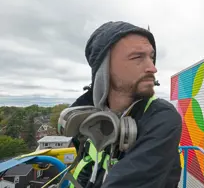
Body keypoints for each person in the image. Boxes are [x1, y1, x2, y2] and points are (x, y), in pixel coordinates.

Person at [68, 21, 182, 188]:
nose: (152, 68)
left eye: (151, 57)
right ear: (104, 69)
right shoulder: (90, 120)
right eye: (137, 57)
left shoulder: (163, 118)